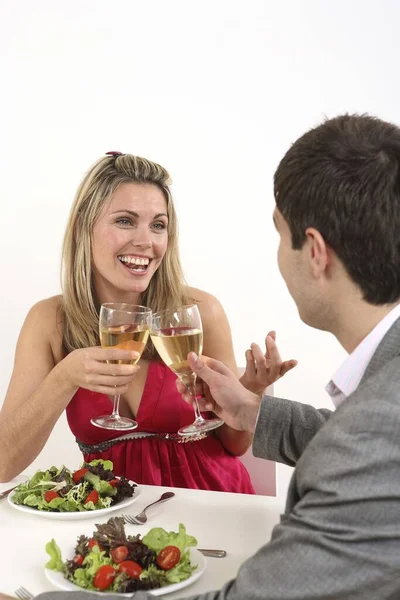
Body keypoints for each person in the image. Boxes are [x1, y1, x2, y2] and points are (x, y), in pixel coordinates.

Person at [21, 112, 400, 599]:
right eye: (124, 221)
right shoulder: (374, 413)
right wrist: (250, 407)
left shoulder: (373, 428)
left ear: (315, 252)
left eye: (278, 235)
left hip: (213, 526)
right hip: (123, 526)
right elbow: (353, 443)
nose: (146, 240)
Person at [0, 151, 296, 493]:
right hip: (114, 515)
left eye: (158, 225)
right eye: (125, 220)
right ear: (84, 225)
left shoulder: (199, 313)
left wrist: (252, 389)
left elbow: (234, 445)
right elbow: (5, 464)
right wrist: (65, 376)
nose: (146, 242)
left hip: (214, 506)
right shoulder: (49, 322)